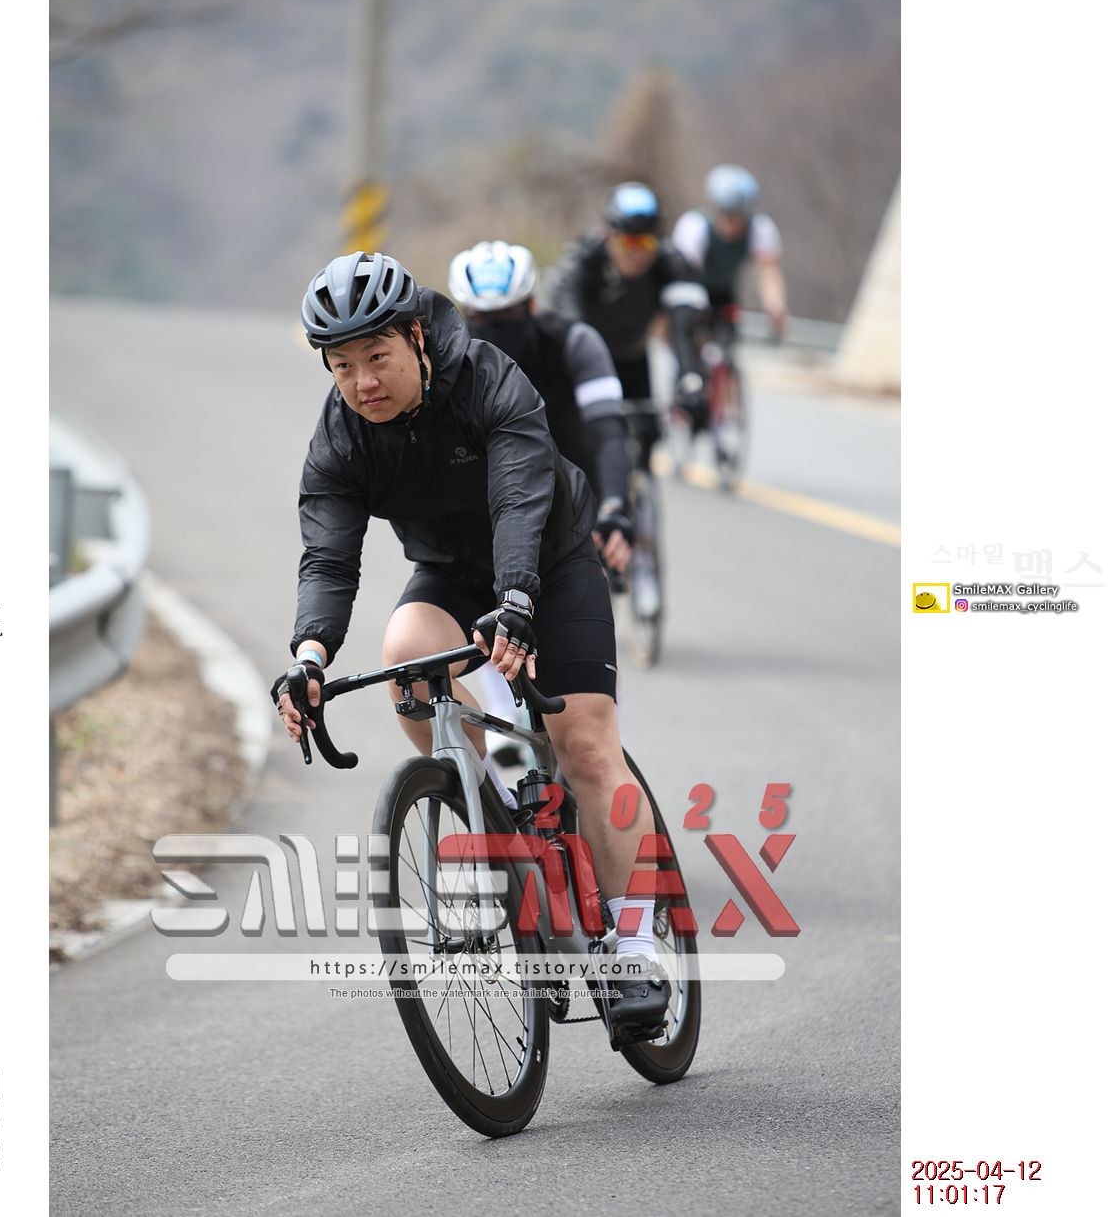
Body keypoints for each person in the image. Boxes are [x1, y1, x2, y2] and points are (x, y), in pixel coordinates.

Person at [273, 249, 669, 1035]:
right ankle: (500, 808)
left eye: (377, 357)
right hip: (451, 573)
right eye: (343, 366)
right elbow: (328, 557)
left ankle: (633, 949)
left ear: (417, 337)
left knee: (585, 747)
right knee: (404, 654)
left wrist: (518, 599)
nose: (363, 382)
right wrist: (308, 658)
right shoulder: (342, 436)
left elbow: (520, 498)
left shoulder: (488, 378)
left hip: (550, 562)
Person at [447, 239, 632, 578]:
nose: (496, 327)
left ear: (532, 305)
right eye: (483, 317)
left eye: (508, 313)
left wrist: (613, 507)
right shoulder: (448, 359)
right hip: (491, 491)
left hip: (577, 479)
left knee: (590, 574)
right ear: (465, 315)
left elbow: (607, 430)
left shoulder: (575, 342)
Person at [550, 181, 707, 472]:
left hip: (633, 356)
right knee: (589, 443)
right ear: (608, 236)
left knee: (649, 436)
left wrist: (691, 379)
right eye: (627, 243)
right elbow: (569, 328)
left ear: (659, 238)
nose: (636, 254)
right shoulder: (582, 263)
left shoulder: (671, 264)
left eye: (646, 243)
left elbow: (682, 328)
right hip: (590, 361)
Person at [671, 164, 788, 337]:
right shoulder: (695, 226)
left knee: (726, 339)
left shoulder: (760, 228)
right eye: (723, 213)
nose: (728, 221)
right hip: (692, 290)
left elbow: (768, 273)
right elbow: (686, 274)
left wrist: (775, 307)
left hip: (725, 294)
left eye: (734, 214)